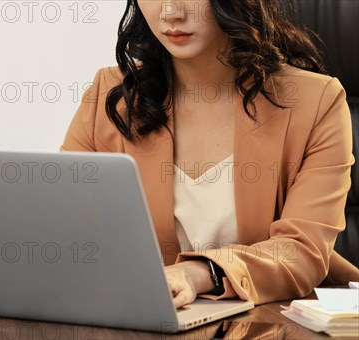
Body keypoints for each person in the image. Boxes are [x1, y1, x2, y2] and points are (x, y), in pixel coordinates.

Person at [60, 0, 359, 307]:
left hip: (271, 323)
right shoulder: (111, 98)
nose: (171, 13)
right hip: (144, 321)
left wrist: (198, 273)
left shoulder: (315, 102)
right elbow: (64, 228)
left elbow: (301, 251)